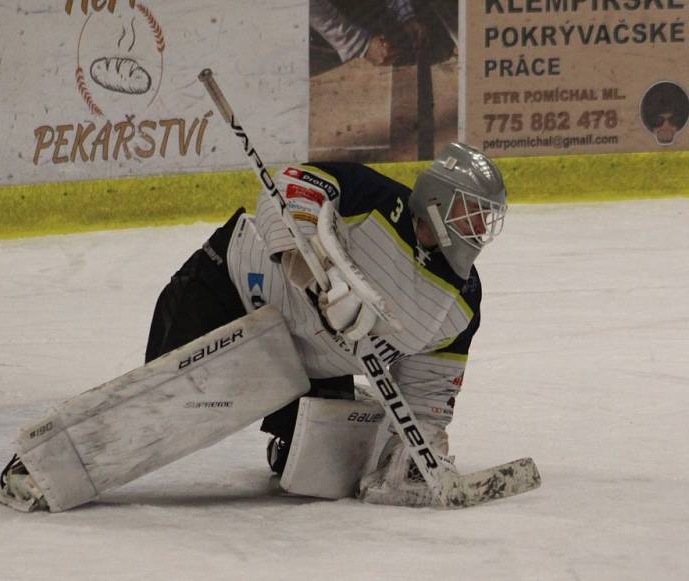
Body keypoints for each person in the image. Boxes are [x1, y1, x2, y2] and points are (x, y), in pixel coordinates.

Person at [144, 142, 507, 505]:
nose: (479, 227)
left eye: (485, 217)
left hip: (308, 363)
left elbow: (429, 389)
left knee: (321, 471)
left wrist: (418, 453)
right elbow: (287, 191)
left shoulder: (462, 300)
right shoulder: (371, 196)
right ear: (438, 200)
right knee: (160, 412)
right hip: (227, 292)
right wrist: (306, 265)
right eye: (472, 211)